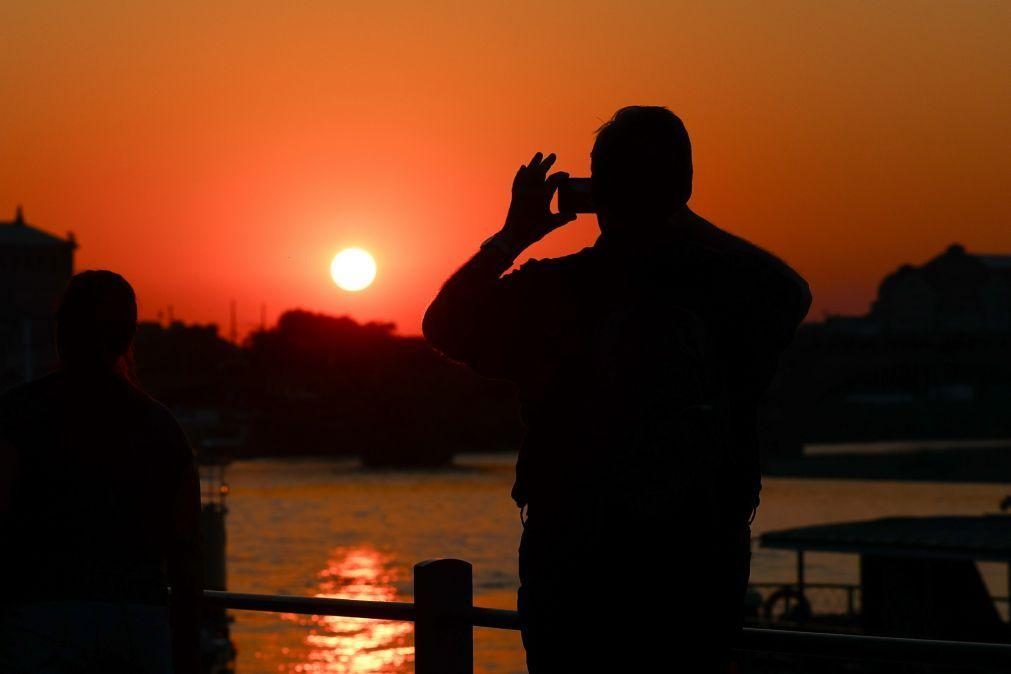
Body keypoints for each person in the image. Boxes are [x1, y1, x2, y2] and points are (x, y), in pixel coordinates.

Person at [424, 106, 811, 672]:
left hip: (573, 569)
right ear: (683, 187)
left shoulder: (554, 294)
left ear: (596, 191)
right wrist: (677, 213)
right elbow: (791, 291)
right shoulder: (731, 292)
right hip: (695, 570)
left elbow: (445, 324)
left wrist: (513, 237)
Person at [0, 270, 203, 674]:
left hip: (41, 622)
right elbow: (185, 559)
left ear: (60, 332)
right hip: (137, 626)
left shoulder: (15, 416)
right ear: (128, 337)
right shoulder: (163, 429)